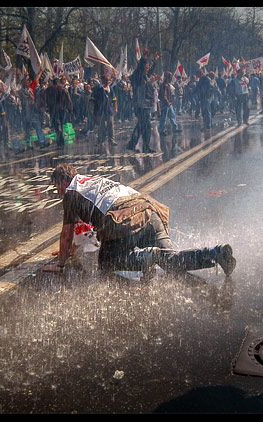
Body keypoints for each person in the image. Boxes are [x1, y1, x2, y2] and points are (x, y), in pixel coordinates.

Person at [42, 163, 237, 279]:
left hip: (126, 218)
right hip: (149, 211)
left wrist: (60, 264)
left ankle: (148, 256)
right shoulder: (91, 182)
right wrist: (70, 251)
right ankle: (216, 252)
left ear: (63, 182)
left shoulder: (71, 193)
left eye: (57, 186)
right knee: (171, 260)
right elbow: (84, 229)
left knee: (107, 261)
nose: (58, 192)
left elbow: (67, 232)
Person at [128, 49, 159, 152]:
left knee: (141, 126)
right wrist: (143, 58)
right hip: (140, 105)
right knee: (146, 126)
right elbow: (139, 69)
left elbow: (150, 72)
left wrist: (154, 62)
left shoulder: (145, 77)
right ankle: (145, 146)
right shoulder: (137, 77)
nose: (148, 69)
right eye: (146, 67)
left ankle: (132, 145)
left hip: (145, 105)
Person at [158, 72, 182, 136]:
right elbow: (164, 95)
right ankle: (162, 130)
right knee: (163, 117)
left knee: (172, 116)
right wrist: (167, 102)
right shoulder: (164, 85)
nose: (171, 78)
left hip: (169, 103)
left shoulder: (168, 84)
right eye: (170, 77)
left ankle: (175, 128)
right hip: (166, 103)